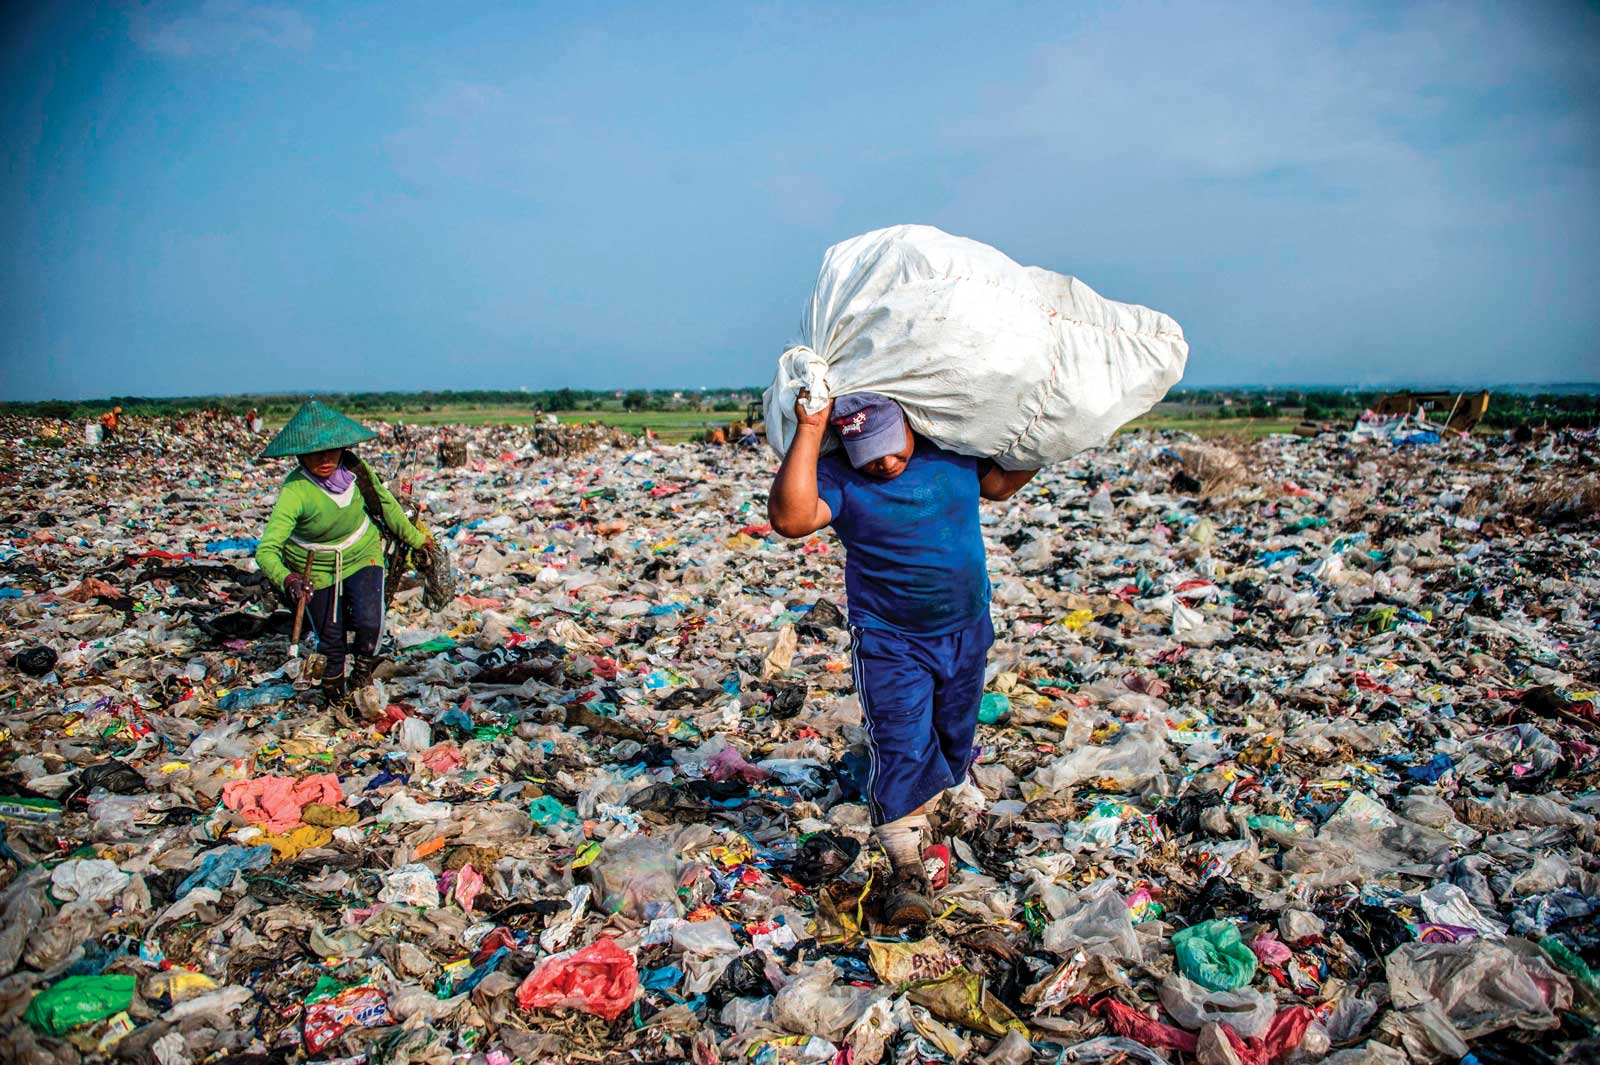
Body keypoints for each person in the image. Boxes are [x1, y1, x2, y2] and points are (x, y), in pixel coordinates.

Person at [768, 392, 1038, 925]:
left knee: (954, 734)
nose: (885, 463)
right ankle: (906, 867)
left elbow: (1002, 484)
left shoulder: (951, 454)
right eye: (869, 453)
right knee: (901, 738)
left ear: (913, 426)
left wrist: (1055, 428)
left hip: (965, 627)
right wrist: (809, 426)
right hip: (890, 638)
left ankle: (941, 802)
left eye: (892, 448)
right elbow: (790, 519)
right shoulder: (842, 479)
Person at [255, 401, 433, 702]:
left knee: (369, 621)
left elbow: (387, 506)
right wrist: (289, 579)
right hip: (314, 567)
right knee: (331, 640)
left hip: (362, 552)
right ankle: (334, 695)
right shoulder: (296, 491)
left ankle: (362, 672)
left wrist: (418, 541)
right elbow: (267, 550)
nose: (324, 459)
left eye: (331, 450)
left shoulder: (356, 471)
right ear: (300, 455)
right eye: (314, 453)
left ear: (343, 448)